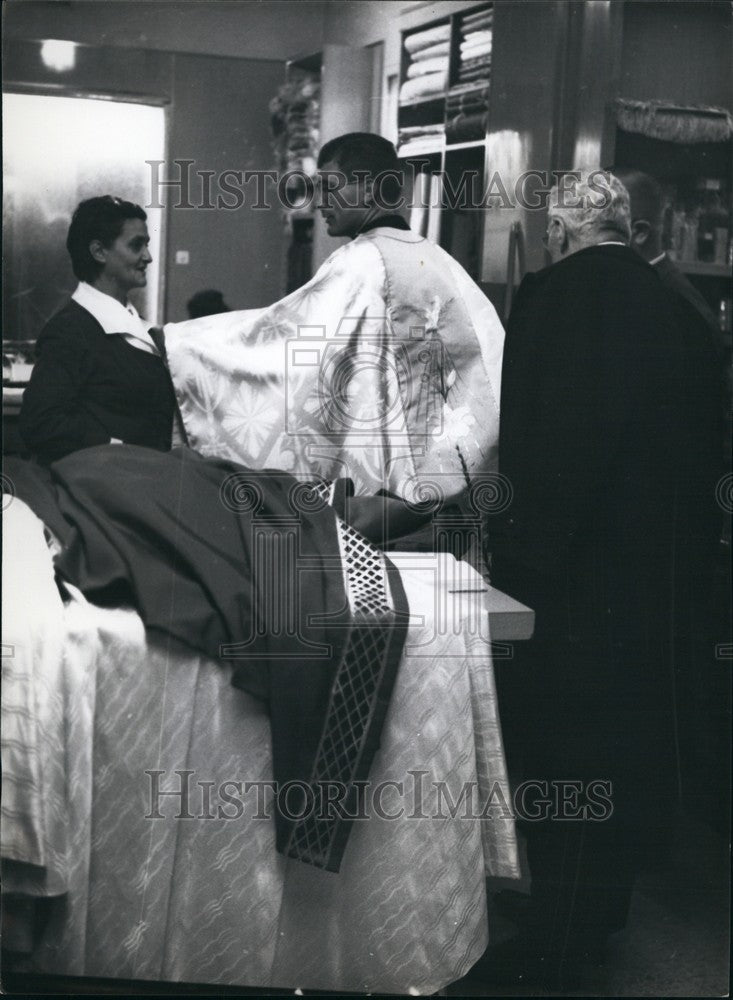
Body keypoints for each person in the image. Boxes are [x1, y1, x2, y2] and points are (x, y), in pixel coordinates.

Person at [483, 170, 699, 987]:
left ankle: (554, 937)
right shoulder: (667, 303)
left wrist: (515, 553)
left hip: (562, 575)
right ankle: (596, 915)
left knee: (558, 747)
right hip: (643, 578)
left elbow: (544, 442)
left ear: (560, 231)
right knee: (616, 753)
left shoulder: (553, 297)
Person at [162, 132, 505, 547]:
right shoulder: (439, 260)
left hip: (389, 503)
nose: (319, 201)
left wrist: (182, 345)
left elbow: (286, 350)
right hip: (446, 495)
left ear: (370, 188)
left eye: (329, 186)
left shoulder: (359, 263)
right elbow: (489, 365)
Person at [20, 196, 176, 464]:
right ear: (99, 252)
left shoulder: (137, 326)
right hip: (110, 476)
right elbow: (41, 423)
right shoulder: (69, 330)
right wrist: (118, 449)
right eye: (136, 245)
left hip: (147, 472)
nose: (148, 257)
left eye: (147, 245)